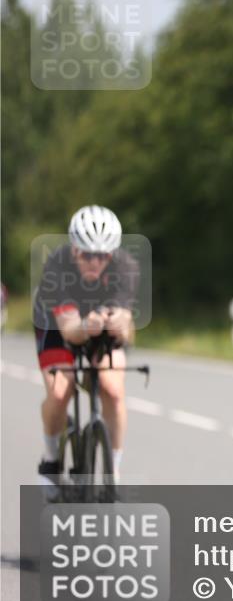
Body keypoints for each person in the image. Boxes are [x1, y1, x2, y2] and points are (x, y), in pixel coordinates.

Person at [33, 205, 139, 490]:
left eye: (103, 256)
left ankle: (113, 470)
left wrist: (119, 323)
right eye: (87, 255)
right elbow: (69, 330)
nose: (95, 262)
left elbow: (126, 322)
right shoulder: (57, 267)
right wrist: (85, 326)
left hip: (97, 325)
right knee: (60, 391)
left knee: (113, 389)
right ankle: (51, 460)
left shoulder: (125, 266)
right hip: (56, 325)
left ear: (112, 254)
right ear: (74, 250)